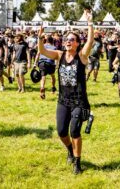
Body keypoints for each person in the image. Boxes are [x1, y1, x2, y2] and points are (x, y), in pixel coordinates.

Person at [38, 10, 94, 175]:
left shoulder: (82, 56)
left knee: (74, 131)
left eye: (72, 40)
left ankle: (77, 163)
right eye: (66, 39)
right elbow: (42, 51)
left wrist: (89, 23)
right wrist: (40, 38)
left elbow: (90, 41)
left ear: (77, 43)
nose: (68, 41)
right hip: (63, 100)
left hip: (79, 101)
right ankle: (69, 149)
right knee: (62, 131)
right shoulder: (59, 54)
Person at [34, 34, 57, 99]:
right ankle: (53, 88)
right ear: (52, 41)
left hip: (42, 62)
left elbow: (38, 54)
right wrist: (57, 65)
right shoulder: (54, 47)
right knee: (52, 75)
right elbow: (55, 57)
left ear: (46, 40)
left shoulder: (42, 46)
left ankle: (42, 88)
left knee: (43, 77)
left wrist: (35, 63)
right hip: (50, 63)